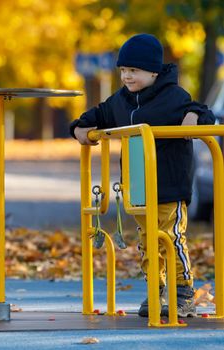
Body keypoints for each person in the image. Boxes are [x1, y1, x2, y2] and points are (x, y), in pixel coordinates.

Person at [70, 34, 215, 317]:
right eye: (123, 70)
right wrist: (79, 129)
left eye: (133, 71)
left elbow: (201, 111)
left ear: (153, 72)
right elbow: (96, 115)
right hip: (138, 187)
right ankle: (156, 289)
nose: (126, 76)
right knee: (147, 241)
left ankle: (182, 290)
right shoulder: (120, 102)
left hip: (170, 185)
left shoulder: (173, 97)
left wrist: (194, 117)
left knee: (171, 237)